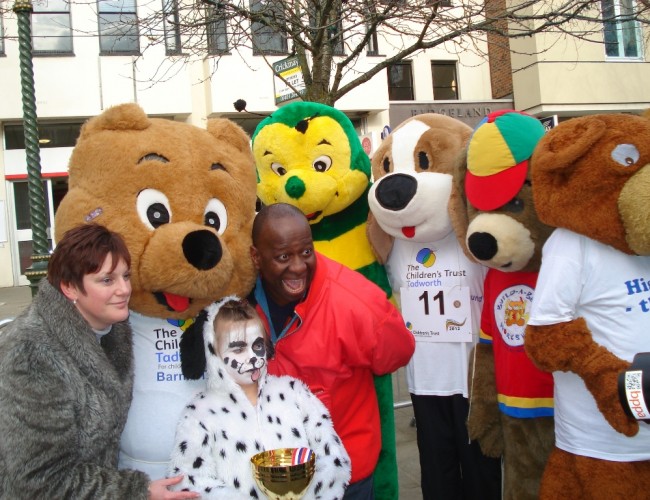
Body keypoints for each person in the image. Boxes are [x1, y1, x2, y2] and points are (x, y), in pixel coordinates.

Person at [0, 224, 198, 499]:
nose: (124, 289)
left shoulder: (111, 330)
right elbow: (40, 478)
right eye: (107, 280)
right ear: (70, 287)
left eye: (125, 276)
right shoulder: (31, 352)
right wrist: (137, 492)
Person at [248, 203, 416, 499]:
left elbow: (398, 351)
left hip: (344, 470)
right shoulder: (241, 297)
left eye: (306, 252)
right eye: (283, 257)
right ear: (256, 257)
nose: (298, 266)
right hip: (277, 471)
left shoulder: (354, 301)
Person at [168, 298, 351, 498]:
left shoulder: (294, 394)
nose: (252, 358)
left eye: (257, 346)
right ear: (214, 353)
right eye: (238, 349)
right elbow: (188, 481)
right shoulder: (200, 414)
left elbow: (335, 459)